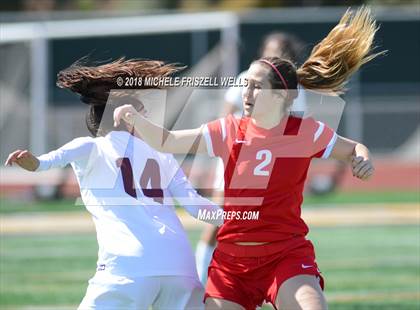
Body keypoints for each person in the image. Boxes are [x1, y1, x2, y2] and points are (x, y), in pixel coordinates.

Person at [113, 7, 381, 310]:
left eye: (256, 86)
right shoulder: (227, 130)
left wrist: (364, 161)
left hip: (286, 257)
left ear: (280, 96)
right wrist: (135, 118)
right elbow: (168, 141)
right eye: (246, 84)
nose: (246, 91)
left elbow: (354, 148)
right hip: (232, 264)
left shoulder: (305, 132)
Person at [5, 58, 222, 310]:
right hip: (180, 267)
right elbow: (197, 206)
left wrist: (31, 162)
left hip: (128, 268)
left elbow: (45, 163)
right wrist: (250, 219)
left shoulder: (91, 147)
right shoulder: (162, 155)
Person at [195, 31, 305, 285]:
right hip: (240, 163)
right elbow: (226, 119)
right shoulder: (246, 78)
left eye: (279, 52)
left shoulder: (294, 88)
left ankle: (270, 280)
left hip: (273, 170)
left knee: (271, 224)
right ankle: (200, 279)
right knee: (219, 220)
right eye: (269, 50)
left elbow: (296, 131)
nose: (272, 56)